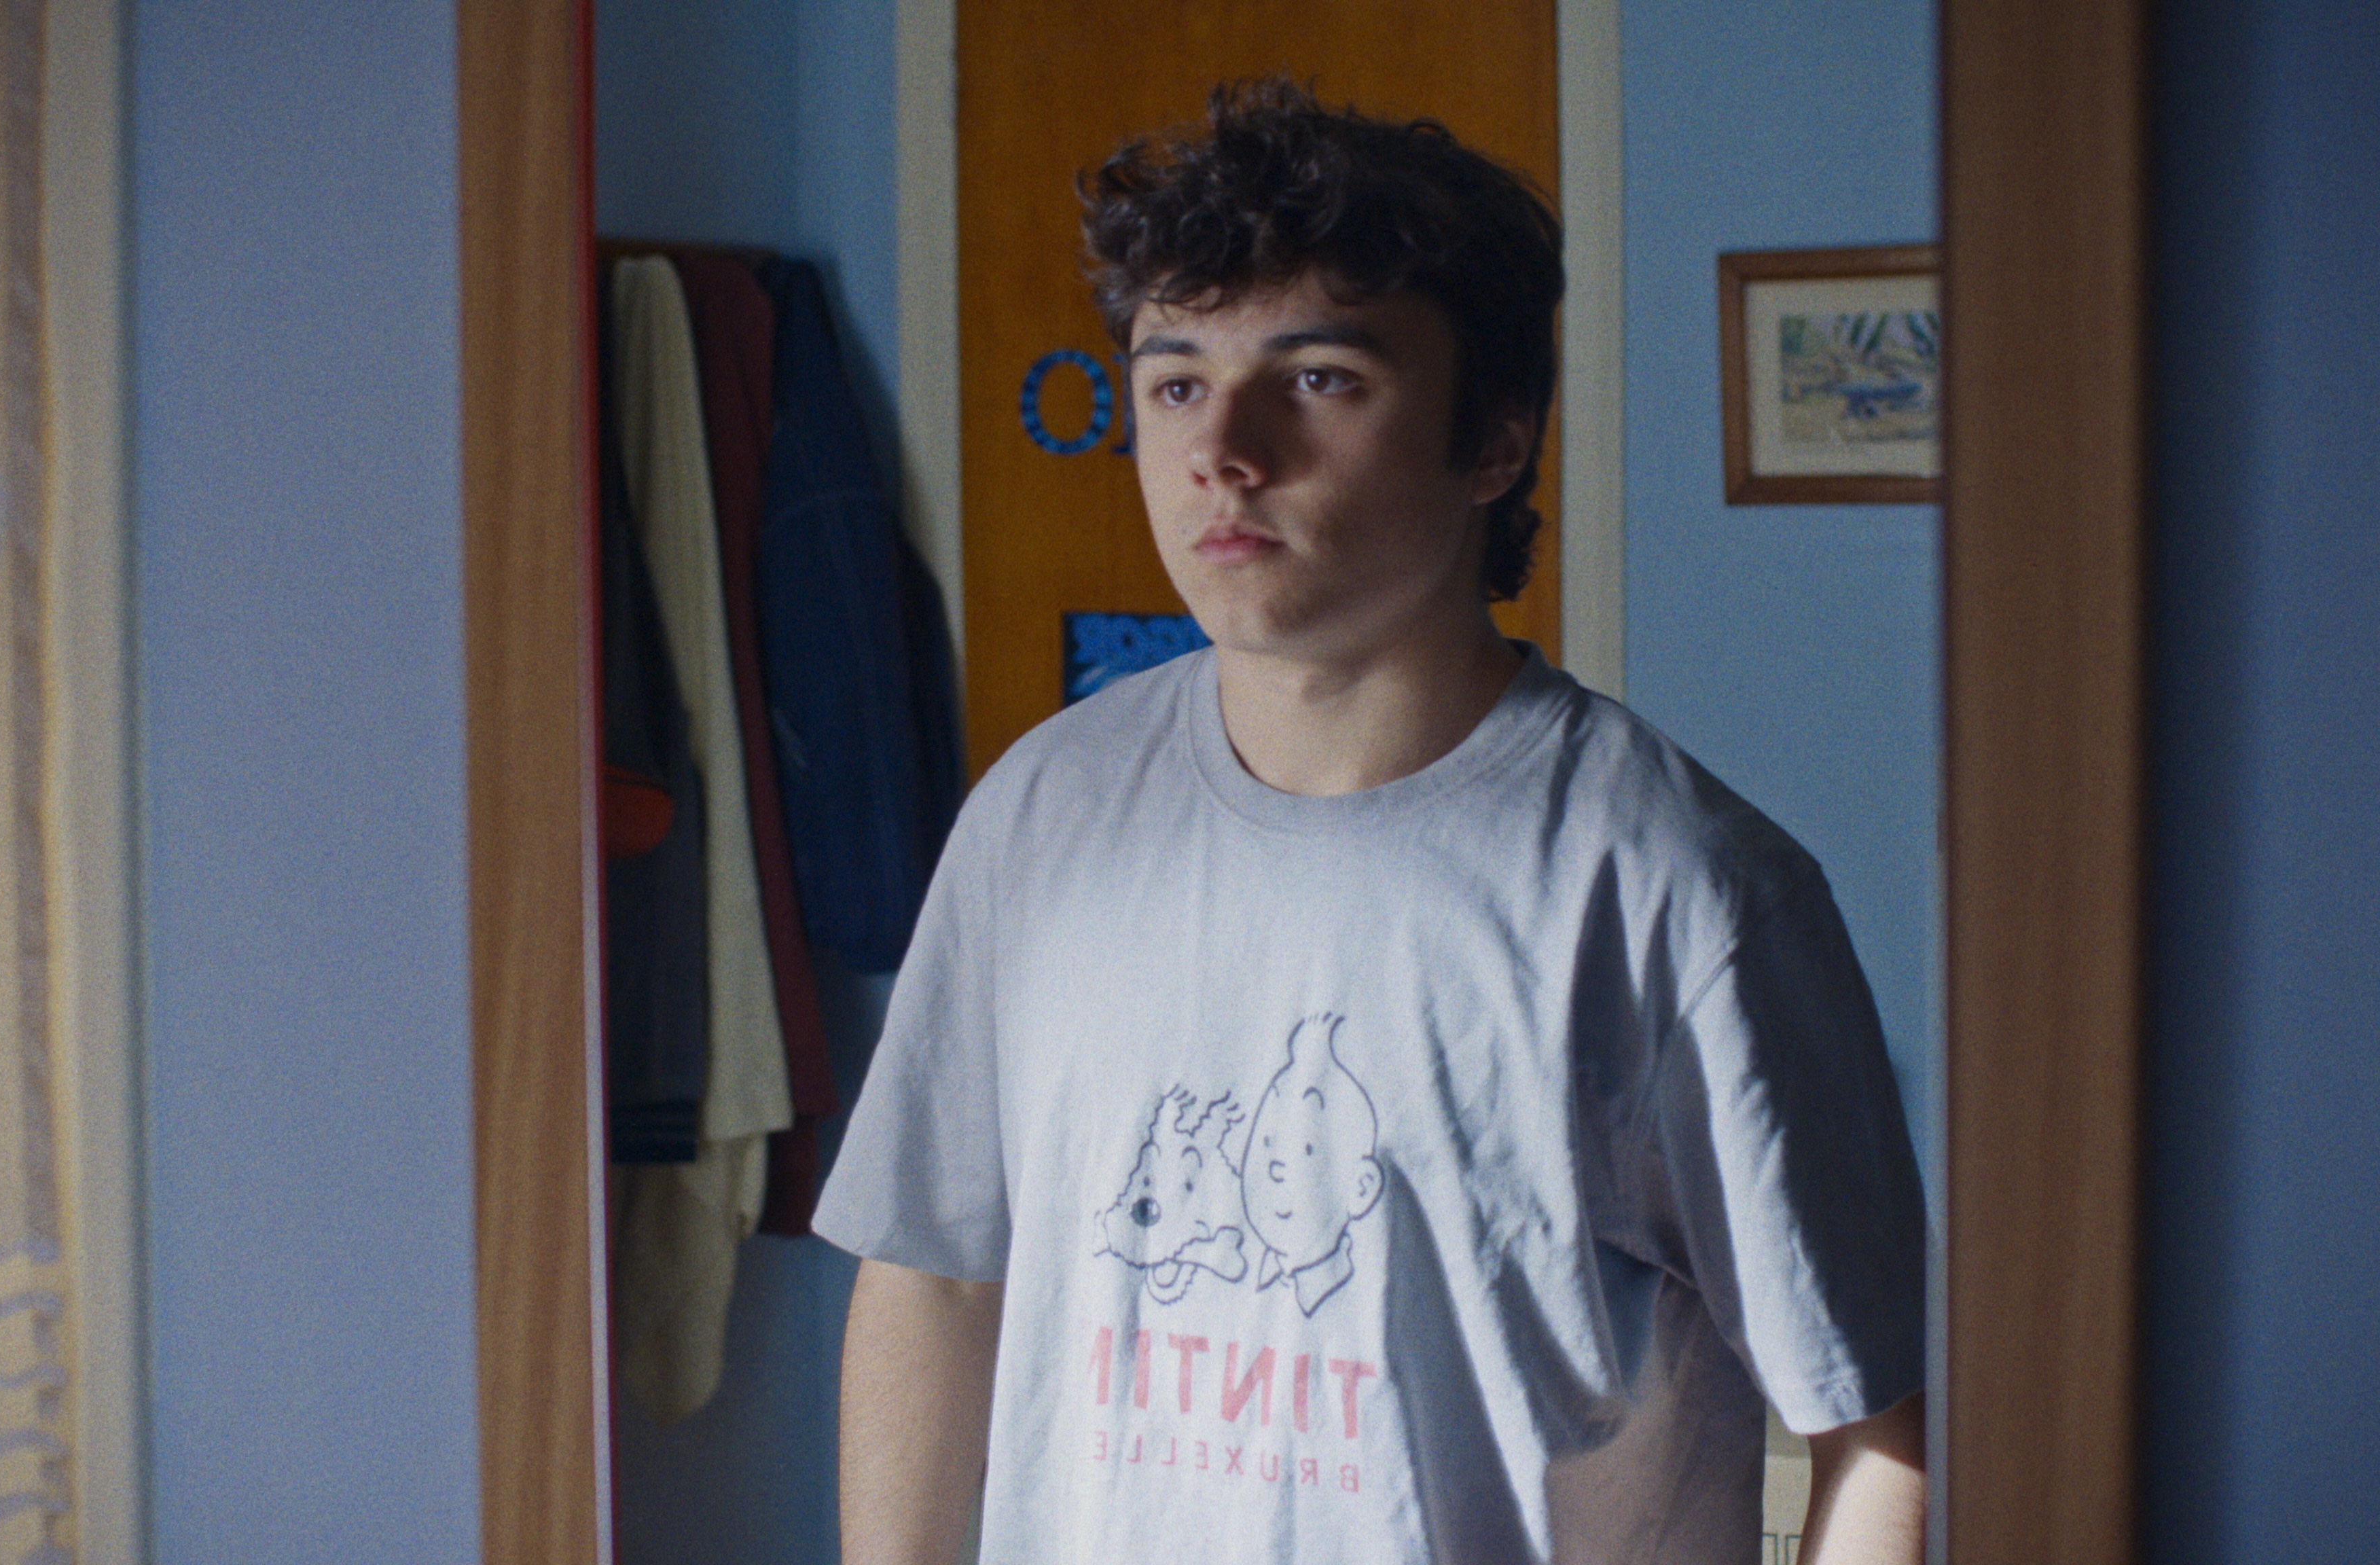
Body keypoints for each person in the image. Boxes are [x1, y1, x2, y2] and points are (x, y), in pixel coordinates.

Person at [812, 77, 1929, 1564]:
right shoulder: (1040, 813)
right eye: (1174, 383)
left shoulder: (1681, 890)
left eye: (1320, 379)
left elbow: (1877, 1439)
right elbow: (937, 1279)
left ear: (1496, 442)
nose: (1224, 449)